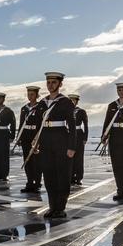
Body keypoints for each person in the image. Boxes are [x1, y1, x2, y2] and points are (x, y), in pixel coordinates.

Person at [35, 72, 76, 218]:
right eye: (48, 82)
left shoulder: (65, 102)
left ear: (60, 84)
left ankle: (60, 208)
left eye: (53, 82)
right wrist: (37, 141)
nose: (50, 85)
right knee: (49, 175)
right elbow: (38, 124)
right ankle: (52, 207)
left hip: (61, 139)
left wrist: (72, 146)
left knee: (62, 175)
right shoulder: (42, 102)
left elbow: (72, 125)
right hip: (45, 140)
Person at [16, 86, 42, 193]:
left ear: (36, 95)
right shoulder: (24, 108)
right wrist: (19, 137)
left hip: (35, 136)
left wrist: (39, 139)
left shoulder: (40, 107)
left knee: (36, 161)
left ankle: (37, 182)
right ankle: (29, 182)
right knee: (27, 161)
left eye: (32, 94)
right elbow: (21, 124)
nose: (30, 96)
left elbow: (41, 125)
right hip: (26, 136)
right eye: (28, 94)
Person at [68, 93, 88, 186]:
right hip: (68, 134)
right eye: (70, 100)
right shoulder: (66, 111)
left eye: (73, 100)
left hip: (79, 134)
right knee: (69, 157)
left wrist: (85, 137)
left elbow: (86, 125)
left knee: (79, 157)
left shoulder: (81, 111)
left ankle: (79, 177)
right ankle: (70, 176)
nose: (72, 102)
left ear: (76, 101)